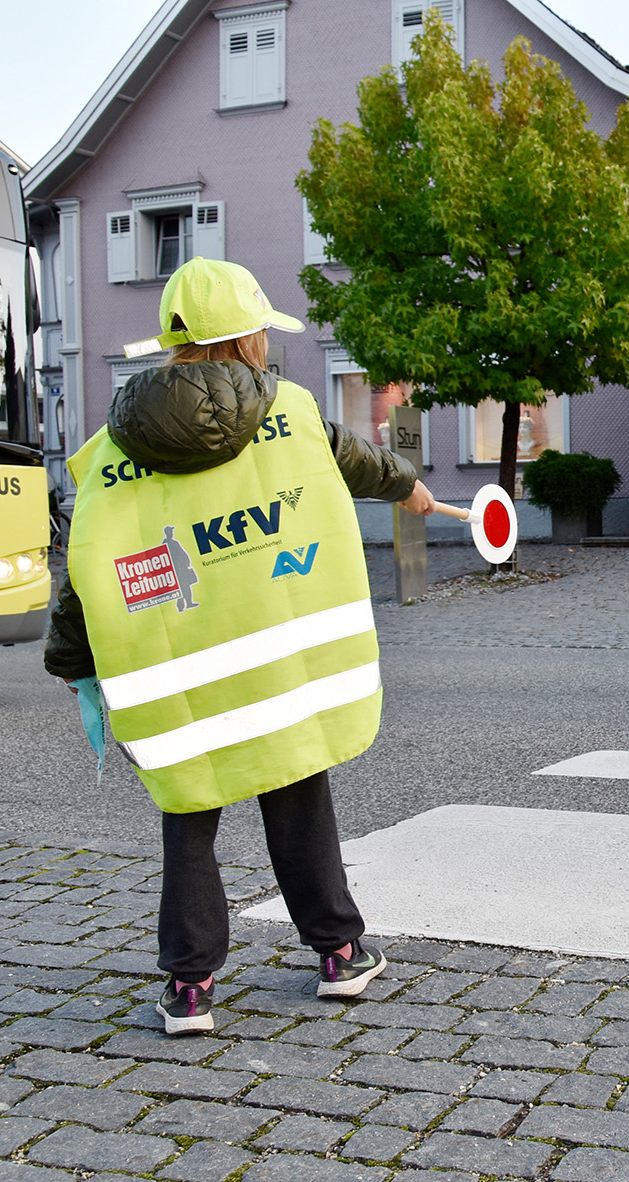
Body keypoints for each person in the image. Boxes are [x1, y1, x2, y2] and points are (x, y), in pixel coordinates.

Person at [44, 257, 436, 1035]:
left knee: (189, 809)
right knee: (297, 792)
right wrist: (411, 489)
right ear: (251, 336)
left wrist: (69, 658)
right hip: (277, 670)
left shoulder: (108, 457)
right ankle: (339, 953)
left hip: (183, 683)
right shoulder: (290, 414)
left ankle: (190, 988)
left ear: (176, 342)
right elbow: (356, 461)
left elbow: (88, 566)